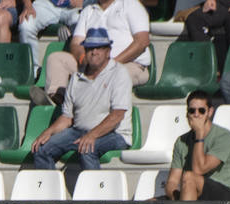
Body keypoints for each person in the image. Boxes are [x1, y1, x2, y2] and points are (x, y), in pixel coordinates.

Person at [135, 90, 230, 204]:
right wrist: (178, 201)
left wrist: (199, 136)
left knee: (189, 177)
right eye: (192, 110)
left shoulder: (223, 136)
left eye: (201, 110)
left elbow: (199, 169)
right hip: (193, 197)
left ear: (210, 112)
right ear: (187, 114)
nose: (196, 115)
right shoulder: (182, 141)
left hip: (228, 196)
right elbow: (172, 182)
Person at [30, 29, 133, 172]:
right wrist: (48, 132)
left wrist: (92, 135)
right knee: (41, 149)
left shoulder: (119, 73)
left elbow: (117, 115)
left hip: (115, 134)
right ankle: (51, 192)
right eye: (90, 48)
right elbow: (67, 117)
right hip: (78, 131)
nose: (94, 52)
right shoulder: (77, 77)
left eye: (99, 48)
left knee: (87, 149)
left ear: (108, 51)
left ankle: (95, 191)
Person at [34, 0, 150, 105]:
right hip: (93, 65)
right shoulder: (88, 9)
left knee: (105, 77)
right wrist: (83, 59)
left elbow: (142, 42)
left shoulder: (131, 5)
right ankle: (56, 98)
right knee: (56, 58)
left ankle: (75, 102)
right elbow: (76, 43)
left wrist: (110, 65)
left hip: (130, 66)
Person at [17, 0, 82, 78]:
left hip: (74, 7)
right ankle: (33, 72)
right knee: (26, 24)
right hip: (46, 4)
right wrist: (27, 5)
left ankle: (80, 70)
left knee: (82, 24)